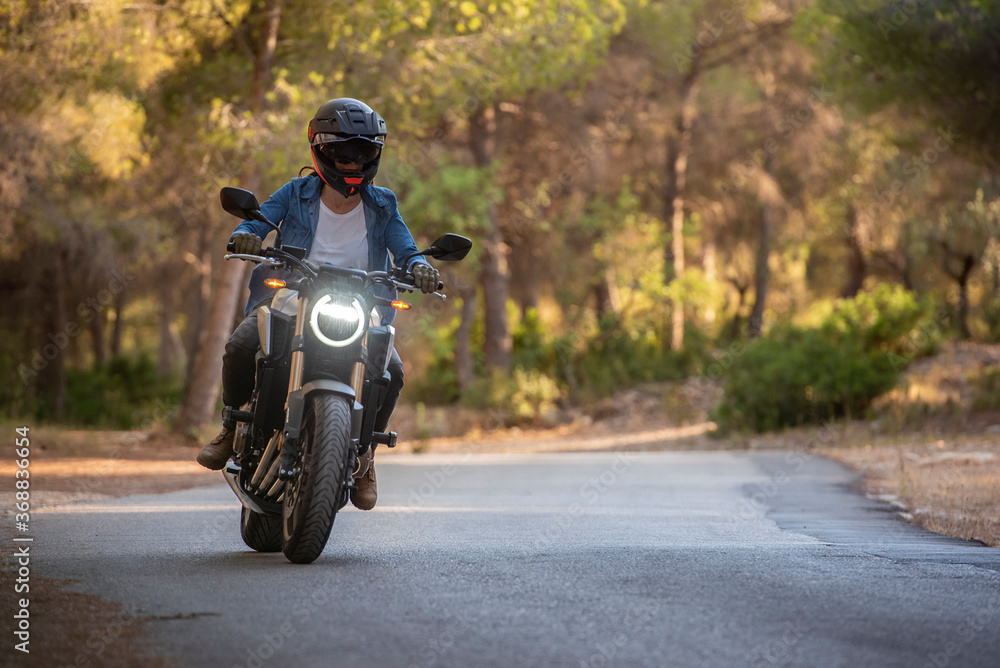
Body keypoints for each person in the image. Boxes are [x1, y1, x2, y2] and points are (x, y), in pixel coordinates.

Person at [196, 98, 439, 511]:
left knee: (393, 372)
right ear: (320, 149)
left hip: (363, 302)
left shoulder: (384, 204)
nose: (352, 162)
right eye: (343, 152)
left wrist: (419, 267)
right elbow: (256, 221)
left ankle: (365, 457)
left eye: (362, 152)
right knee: (241, 344)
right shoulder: (296, 192)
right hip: (294, 293)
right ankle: (231, 423)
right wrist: (246, 235)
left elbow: (406, 248)